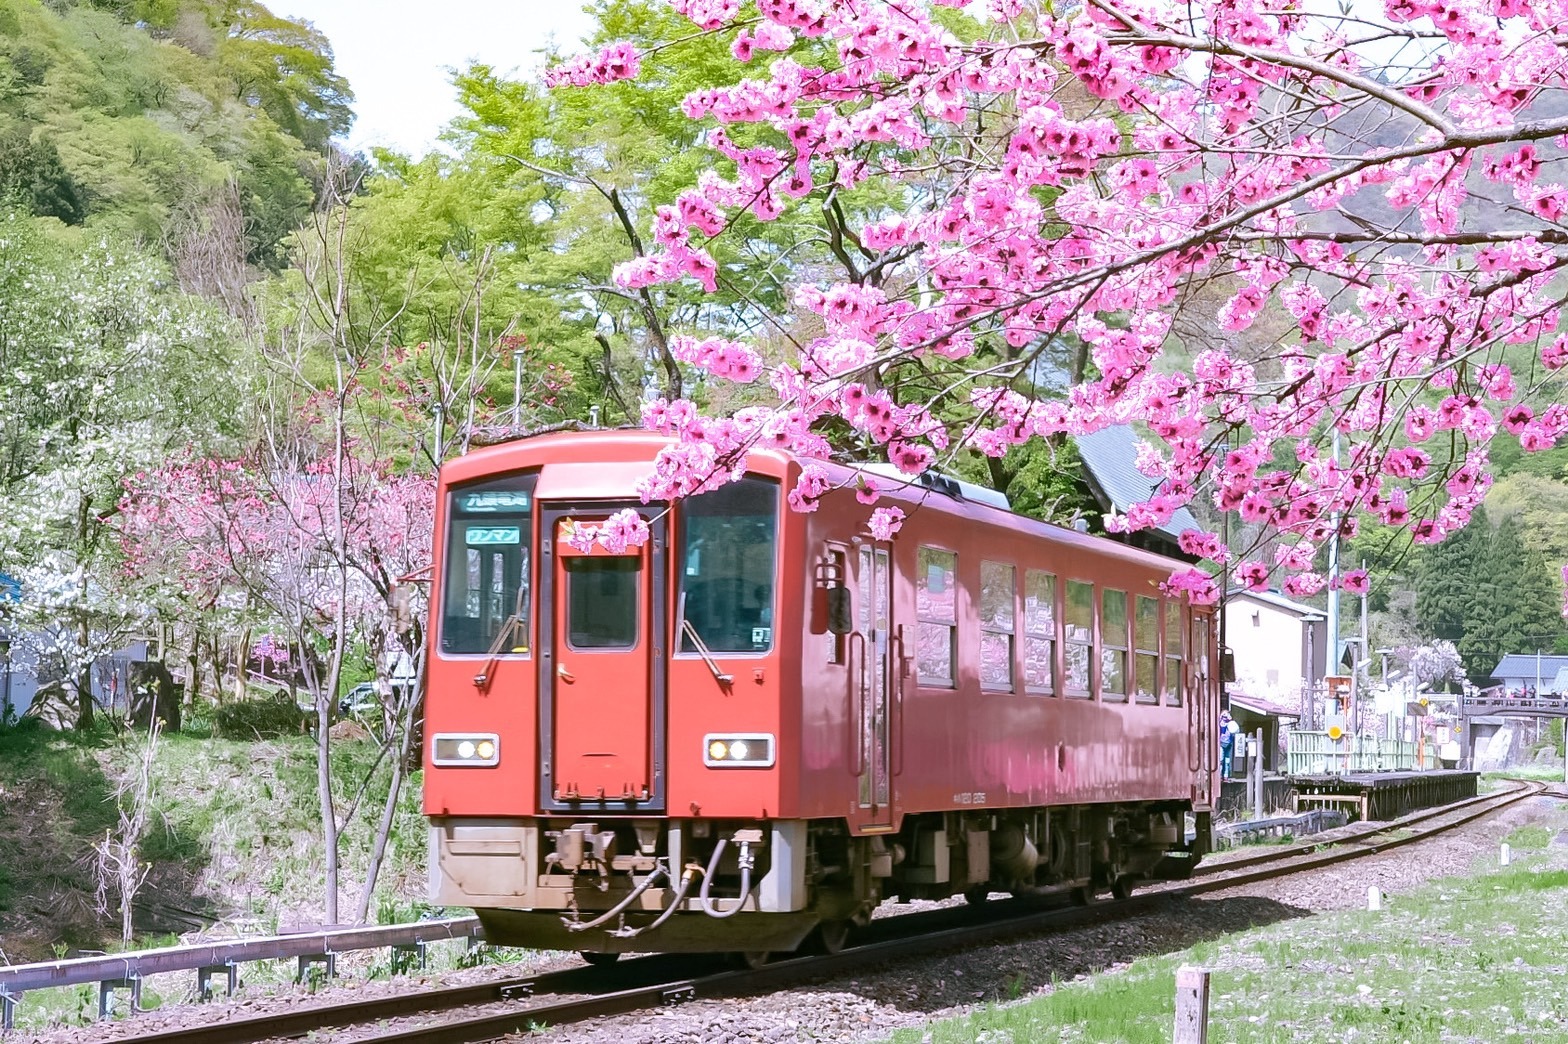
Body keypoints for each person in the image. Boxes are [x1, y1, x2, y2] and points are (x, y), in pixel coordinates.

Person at [1218, 710, 1240, 778]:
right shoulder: (1221, 721)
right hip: (1222, 742)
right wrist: (1223, 716)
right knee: (1221, 759)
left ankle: (1226, 775)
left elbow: (1234, 729)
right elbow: (1222, 725)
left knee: (1227, 760)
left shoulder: (1230, 722)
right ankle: (1220, 775)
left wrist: (1228, 717)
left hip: (1228, 742)